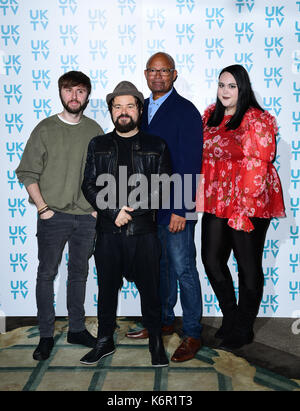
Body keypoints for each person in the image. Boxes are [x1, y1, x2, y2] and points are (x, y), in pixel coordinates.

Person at [80, 81, 172, 367]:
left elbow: (164, 187)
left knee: (151, 291)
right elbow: (89, 185)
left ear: (139, 110)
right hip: (107, 233)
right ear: (110, 111)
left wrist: (131, 212)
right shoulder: (98, 144)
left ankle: (156, 343)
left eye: (130, 105)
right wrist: (112, 211)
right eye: (117, 106)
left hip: (143, 233)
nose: (123, 111)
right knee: (106, 291)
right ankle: (104, 341)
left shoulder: (156, 145)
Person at [196, 64, 285, 350]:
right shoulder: (210, 115)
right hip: (218, 198)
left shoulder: (256, 119)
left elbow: (259, 162)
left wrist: (245, 207)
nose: (225, 91)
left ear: (242, 88)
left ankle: (244, 326)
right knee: (211, 259)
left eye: (232, 86)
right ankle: (230, 316)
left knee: (247, 265)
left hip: (250, 197)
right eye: (222, 84)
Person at [16, 71, 103, 361]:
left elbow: (103, 175)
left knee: (79, 274)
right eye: (69, 90)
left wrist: (95, 209)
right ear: (60, 93)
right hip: (53, 217)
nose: (74, 96)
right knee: (47, 274)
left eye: (80, 91)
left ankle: (76, 328)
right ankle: (45, 335)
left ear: (87, 96)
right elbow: (27, 172)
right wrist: (43, 208)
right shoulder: (45, 129)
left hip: (86, 218)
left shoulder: (94, 130)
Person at [126, 52, 204, 363]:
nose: (158, 76)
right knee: (159, 269)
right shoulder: (140, 109)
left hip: (175, 208)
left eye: (164, 71)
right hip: (149, 208)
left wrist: (181, 209)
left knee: (183, 269)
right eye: (153, 71)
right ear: (146, 74)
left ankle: (194, 332)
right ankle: (163, 321)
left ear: (174, 74)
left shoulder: (186, 111)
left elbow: (190, 163)